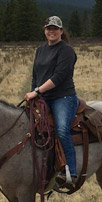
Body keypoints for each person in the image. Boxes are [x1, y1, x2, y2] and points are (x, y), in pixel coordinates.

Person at [24, 16, 78, 189]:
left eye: (55, 28)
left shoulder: (66, 50)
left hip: (63, 97)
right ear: (44, 30)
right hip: (43, 98)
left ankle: (70, 171)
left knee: (62, 130)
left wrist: (37, 91)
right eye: (49, 28)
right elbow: (35, 76)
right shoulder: (40, 50)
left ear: (61, 31)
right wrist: (34, 93)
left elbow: (59, 77)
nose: (51, 31)